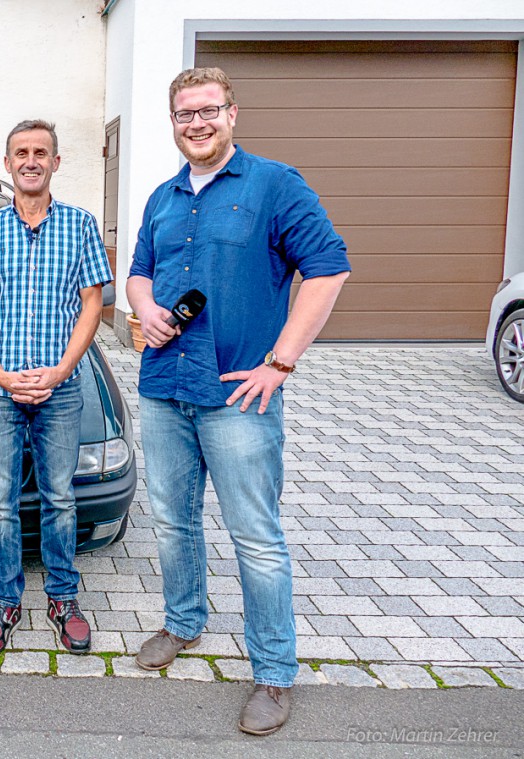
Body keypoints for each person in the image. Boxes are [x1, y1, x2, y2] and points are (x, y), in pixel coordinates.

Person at [126, 68, 350, 735]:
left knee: (256, 536)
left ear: (231, 114)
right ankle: (183, 622)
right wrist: (145, 308)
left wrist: (280, 360)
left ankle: (275, 672)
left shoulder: (276, 185)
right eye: (183, 115)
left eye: (206, 111)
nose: (194, 123)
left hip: (237, 395)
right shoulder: (163, 199)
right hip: (165, 386)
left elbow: (329, 267)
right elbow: (138, 273)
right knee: (172, 521)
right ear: (172, 123)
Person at [0, 119, 112, 656]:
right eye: (21, 152)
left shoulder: (81, 225)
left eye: (40, 152)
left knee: (60, 499)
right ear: (7, 163)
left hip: (60, 390)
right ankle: (6, 600)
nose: (30, 160)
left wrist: (63, 370)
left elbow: (94, 303)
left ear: (55, 162)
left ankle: (63, 599)